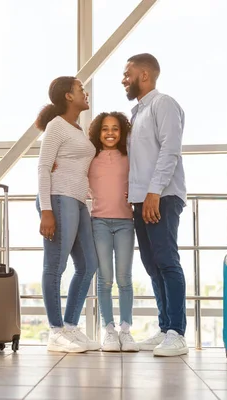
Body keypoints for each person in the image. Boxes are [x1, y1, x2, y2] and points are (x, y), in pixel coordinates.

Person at [122, 53, 188, 356]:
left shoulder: (164, 104)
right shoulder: (137, 114)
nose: (124, 79)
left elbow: (170, 150)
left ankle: (177, 333)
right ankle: (164, 329)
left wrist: (154, 193)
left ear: (144, 75)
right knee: (152, 265)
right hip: (141, 200)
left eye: (128, 74)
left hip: (162, 197)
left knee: (166, 261)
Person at [35, 76, 100, 353]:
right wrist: (47, 211)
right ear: (68, 96)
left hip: (77, 202)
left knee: (88, 265)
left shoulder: (76, 128)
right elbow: (43, 167)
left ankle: (71, 327)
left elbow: (75, 167)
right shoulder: (57, 126)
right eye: (80, 89)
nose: (85, 93)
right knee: (55, 266)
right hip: (58, 201)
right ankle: (55, 331)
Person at [87, 111, 139, 352]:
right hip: (99, 222)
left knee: (124, 278)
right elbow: (75, 173)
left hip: (125, 222)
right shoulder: (91, 157)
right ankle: (108, 331)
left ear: (122, 132)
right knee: (105, 279)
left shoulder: (129, 157)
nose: (110, 133)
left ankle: (126, 330)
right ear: (98, 132)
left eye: (115, 128)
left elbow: (141, 179)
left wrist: (135, 194)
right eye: (105, 129)